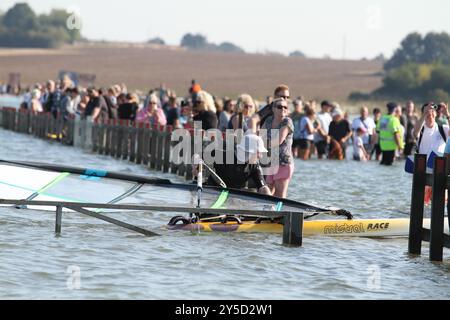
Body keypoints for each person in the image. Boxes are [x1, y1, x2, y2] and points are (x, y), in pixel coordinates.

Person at [203, 133, 271, 195]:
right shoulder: (224, 154)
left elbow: (263, 187)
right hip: (213, 193)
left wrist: (271, 204)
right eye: (258, 152)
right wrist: (197, 166)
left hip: (235, 197)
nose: (261, 156)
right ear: (249, 151)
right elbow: (202, 156)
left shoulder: (254, 166)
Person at [261, 98, 294, 198]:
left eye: (285, 107)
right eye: (279, 106)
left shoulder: (287, 122)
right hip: (271, 162)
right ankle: (267, 212)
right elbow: (260, 136)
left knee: (280, 196)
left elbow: (278, 141)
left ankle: (280, 213)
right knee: (268, 193)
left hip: (283, 163)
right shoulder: (269, 120)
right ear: (273, 109)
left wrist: (261, 144)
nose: (283, 109)